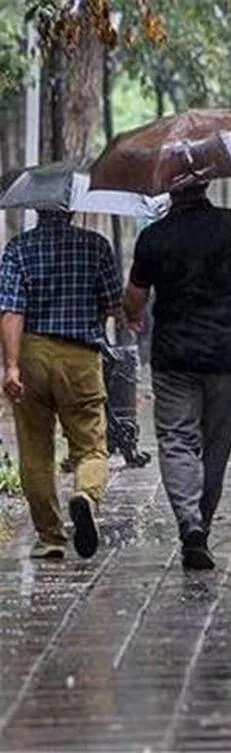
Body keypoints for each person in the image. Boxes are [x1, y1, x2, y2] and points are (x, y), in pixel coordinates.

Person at [123, 182, 231, 570]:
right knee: (215, 446)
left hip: (174, 355)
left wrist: (136, 314)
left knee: (176, 439)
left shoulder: (154, 237)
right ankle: (200, 524)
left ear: (169, 192)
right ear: (207, 183)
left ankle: (189, 523)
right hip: (230, 354)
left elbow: (134, 300)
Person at [0, 209, 122, 559]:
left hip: (32, 354)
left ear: (37, 209)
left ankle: (50, 537)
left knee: (36, 451)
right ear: (71, 210)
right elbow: (114, 304)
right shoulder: (96, 246)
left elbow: (10, 311)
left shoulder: (19, 248)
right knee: (91, 445)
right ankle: (85, 493)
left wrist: (11, 367)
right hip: (80, 357)